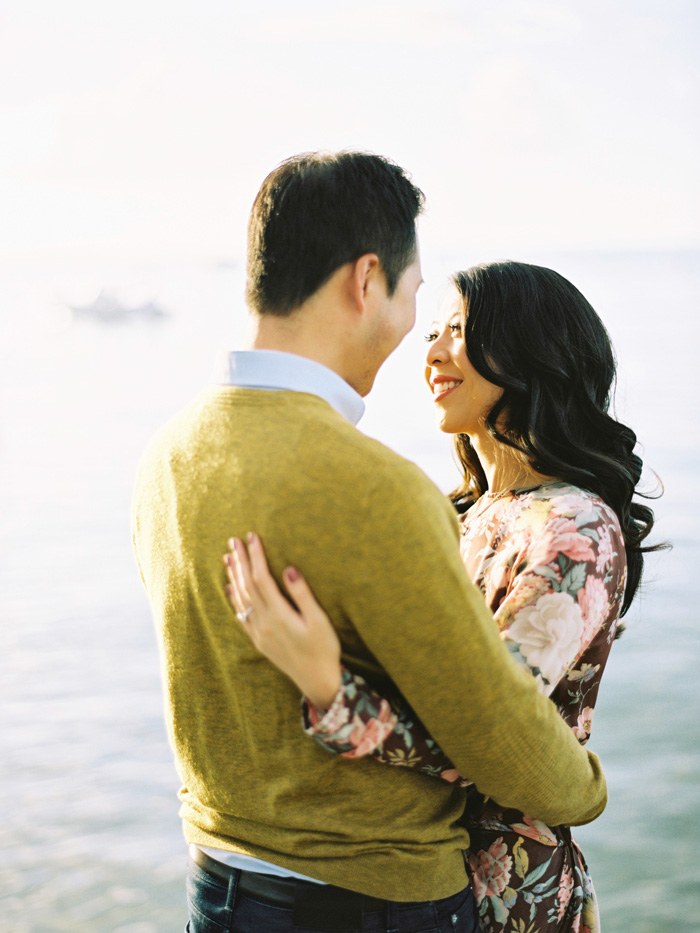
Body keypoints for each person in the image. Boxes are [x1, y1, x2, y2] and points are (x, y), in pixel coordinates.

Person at [132, 153, 608, 933]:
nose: (417, 335)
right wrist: (589, 791)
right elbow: (499, 736)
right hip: (369, 899)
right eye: (414, 297)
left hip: (218, 882)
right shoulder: (378, 489)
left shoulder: (166, 456)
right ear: (365, 281)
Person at [223, 260, 660, 932]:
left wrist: (329, 687)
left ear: (528, 348)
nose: (431, 353)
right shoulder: (466, 514)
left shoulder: (575, 529)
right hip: (414, 876)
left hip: (510, 893)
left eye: (459, 330)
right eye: (433, 331)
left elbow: (490, 738)